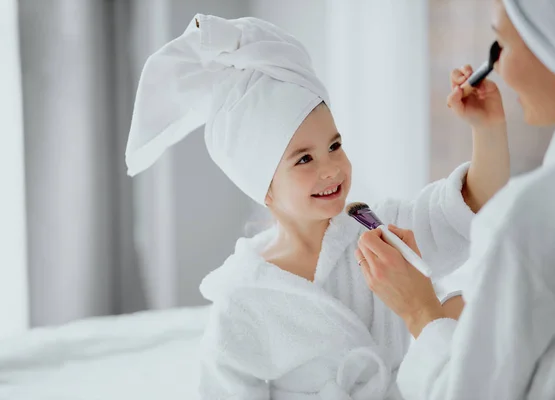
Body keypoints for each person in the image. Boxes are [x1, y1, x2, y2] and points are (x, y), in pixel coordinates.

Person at [125, 14, 510, 399]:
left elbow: (470, 208)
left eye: (334, 146)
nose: (330, 169)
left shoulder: (379, 228)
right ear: (264, 187)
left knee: (459, 306)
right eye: (304, 160)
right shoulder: (243, 298)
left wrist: (486, 129)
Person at [355, 0, 555, 399]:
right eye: (302, 157)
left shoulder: (531, 221)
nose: (497, 67)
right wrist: (488, 133)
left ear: (552, 42)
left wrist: (421, 312)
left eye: (500, 43)